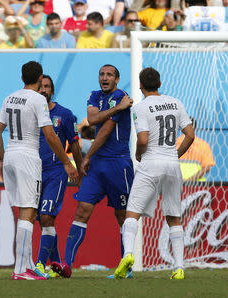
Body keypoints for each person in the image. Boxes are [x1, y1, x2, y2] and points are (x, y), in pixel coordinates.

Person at [0, 61, 79, 280]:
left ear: (22, 77)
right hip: (28, 157)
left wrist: (3, 160)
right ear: (40, 78)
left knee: (25, 211)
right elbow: (50, 135)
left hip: (11, 155)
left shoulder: (10, 97)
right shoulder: (38, 99)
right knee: (29, 213)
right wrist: (67, 162)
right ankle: (21, 269)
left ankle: (28, 264)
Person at [50, 64, 134, 278]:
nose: (104, 78)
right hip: (97, 165)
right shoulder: (95, 96)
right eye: (102, 74)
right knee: (82, 210)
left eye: (109, 75)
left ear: (117, 79)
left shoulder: (121, 94)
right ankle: (66, 265)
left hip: (118, 163)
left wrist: (87, 157)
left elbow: (105, 130)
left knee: (122, 216)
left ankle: (126, 268)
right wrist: (117, 108)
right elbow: (94, 119)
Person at [113, 67, 195, 280]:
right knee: (174, 217)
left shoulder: (141, 107)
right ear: (160, 84)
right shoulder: (176, 102)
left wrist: (140, 155)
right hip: (171, 164)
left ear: (140, 85)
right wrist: (176, 154)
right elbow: (190, 135)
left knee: (132, 214)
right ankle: (178, 268)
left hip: (151, 163)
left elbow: (142, 140)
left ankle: (128, 255)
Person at [31, 75, 84, 279]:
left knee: (47, 216)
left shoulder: (64, 114)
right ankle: (57, 266)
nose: (43, 90)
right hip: (34, 172)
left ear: (51, 90)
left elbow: (75, 144)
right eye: (40, 87)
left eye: (47, 87)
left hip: (55, 173)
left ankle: (40, 265)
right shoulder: (31, 113)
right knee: (42, 221)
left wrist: (78, 169)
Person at [176, 117, 214, 182]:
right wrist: (190, 181)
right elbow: (207, 168)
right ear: (195, 128)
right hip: (197, 186)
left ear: (181, 128)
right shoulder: (203, 145)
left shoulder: (174, 144)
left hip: (177, 184)